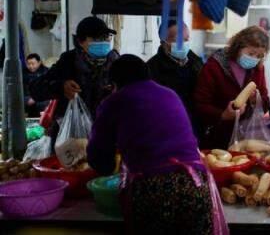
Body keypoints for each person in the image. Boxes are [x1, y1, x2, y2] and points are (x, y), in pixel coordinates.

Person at [87, 55, 228, 235]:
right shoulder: (169, 93)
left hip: (153, 189)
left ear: (114, 83)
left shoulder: (113, 102)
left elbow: (100, 161)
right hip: (195, 184)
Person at [30, 16, 119, 151]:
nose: (103, 42)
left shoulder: (115, 62)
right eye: (96, 39)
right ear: (80, 41)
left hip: (105, 135)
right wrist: (60, 87)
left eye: (106, 37)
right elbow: (35, 88)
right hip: (70, 138)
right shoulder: (68, 61)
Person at [193, 26, 270, 150]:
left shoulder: (258, 69)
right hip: (217, 138)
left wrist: (256, 100)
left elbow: (266, 102)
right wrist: (223, 115)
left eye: (259, 56)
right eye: (251, 53)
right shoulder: (214, 66)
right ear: (238, 47)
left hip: (246, 139)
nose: (254, 58)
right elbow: (200, 105)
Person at [147, 20, 203, 134]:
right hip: (165, 130)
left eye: (186, 39)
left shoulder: (197, 63)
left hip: (194, 128)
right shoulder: (151, 69)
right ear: (163, 43)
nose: (184, 44)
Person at [23, 53, 50, 118]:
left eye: (33, 64)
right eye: (28, 64)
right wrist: (27, 99)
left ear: (39, 62)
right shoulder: (23, 73)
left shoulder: (46, 72)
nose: (31, 66)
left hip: (42, 99)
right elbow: (20, 90)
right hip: (28, 99)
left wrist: (35, 98)